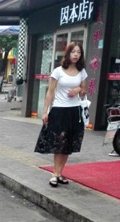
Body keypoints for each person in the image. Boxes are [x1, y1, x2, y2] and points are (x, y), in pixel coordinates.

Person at [36, 42, 87, 187]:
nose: (76, 55)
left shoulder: (81, 71)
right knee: (59, 142)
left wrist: (78, 89)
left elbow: (84, 91)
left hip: (75, 111)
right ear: (68, 53)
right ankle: (55, 173)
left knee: (68, 144)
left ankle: (59, 173)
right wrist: (45, 112)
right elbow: (50, 92)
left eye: (78, 52)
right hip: (59, 110)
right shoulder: (58, 71)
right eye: (73, 52)